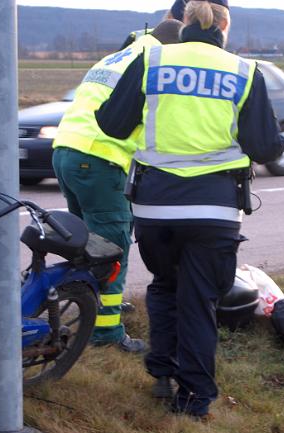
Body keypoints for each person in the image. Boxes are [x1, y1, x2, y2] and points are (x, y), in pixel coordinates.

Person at [95, 0, 284, 417]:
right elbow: (265, 147)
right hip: (214, 211)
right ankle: (195, 397)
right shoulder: (243, 71)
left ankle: (162, 373)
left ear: (183, 23)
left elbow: (111, 124)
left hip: (155, 207)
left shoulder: (152, 59)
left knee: (165, 285)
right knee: (199, 300)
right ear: (224, 26)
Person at [52, 20, 182, 353]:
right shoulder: (156, 60)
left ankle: (89, 306)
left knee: (87, 244)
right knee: (112, 249)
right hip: (100, 158)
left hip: (66, 151)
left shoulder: (119, 55)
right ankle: (106, 333)